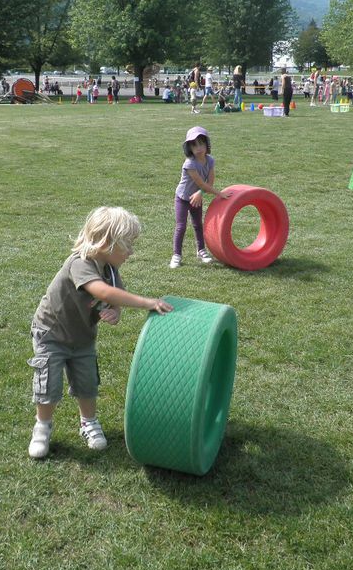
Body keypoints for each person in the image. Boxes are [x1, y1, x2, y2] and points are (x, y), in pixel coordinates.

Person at [27, 207, 173, 459]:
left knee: (87, 383)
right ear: (107, 243)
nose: (132, 251)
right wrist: (146, 302)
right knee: (48, 383)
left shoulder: (111, 272)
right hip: (52, 333)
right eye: (128, 245)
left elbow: (114, 299)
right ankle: (42, 426)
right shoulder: (80, 263)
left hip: (82, 336)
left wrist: (116, 312)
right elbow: (102, 293)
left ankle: (89, 422)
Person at [170, 126, 229, 268]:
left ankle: (201, 250)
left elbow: (210, 183)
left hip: (196, 197)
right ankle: (176, 255)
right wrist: (219, 193)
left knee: (198, 225)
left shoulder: (210, 161)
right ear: (189, 148)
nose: (198, 148)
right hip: (183, 198)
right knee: (181, 226)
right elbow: (202, 183)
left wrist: (200, 193)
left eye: (201, 143)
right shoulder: (189, 163)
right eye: (194, 145)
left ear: (206, 144)